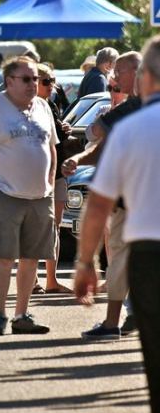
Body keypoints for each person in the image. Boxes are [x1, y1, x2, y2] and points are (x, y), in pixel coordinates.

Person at [74, 36, 160, 413]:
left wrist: (86, 263)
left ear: (147, 77)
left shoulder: (129, 128)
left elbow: (98, 206)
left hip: (150, 253)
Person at [0, 56, 59, 336]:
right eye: (27, 79)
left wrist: (51, 182)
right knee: (5, 258)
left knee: (32, 258)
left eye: (37, 80)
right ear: (9, 81)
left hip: (40, 196)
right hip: (5, 194)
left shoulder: (43, 107)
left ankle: (22, 315)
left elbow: (52, 148)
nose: (34, 84)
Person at [62, 51, 143, 340]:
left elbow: (99, 131)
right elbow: (100, 142)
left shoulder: (130, 111)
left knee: (123, 259)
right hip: (128, 203)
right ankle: (114, 322)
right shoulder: (128, 107)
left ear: (138, 71)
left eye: (118, 74)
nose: (114, 80)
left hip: (134, 202)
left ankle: (115, 323)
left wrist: (85, 263)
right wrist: (80, 158)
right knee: (121, 259)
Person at [34, 63, 73, 295]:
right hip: (36, 175)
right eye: (46, 81)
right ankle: (33, 280)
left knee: (54, 228)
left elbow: (54, 140)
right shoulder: (25, 107)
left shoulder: (51, 106)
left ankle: (52, 280)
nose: (51, 86)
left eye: (52, 81)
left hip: (56, 173)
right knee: (33, 228)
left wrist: (64, 129)